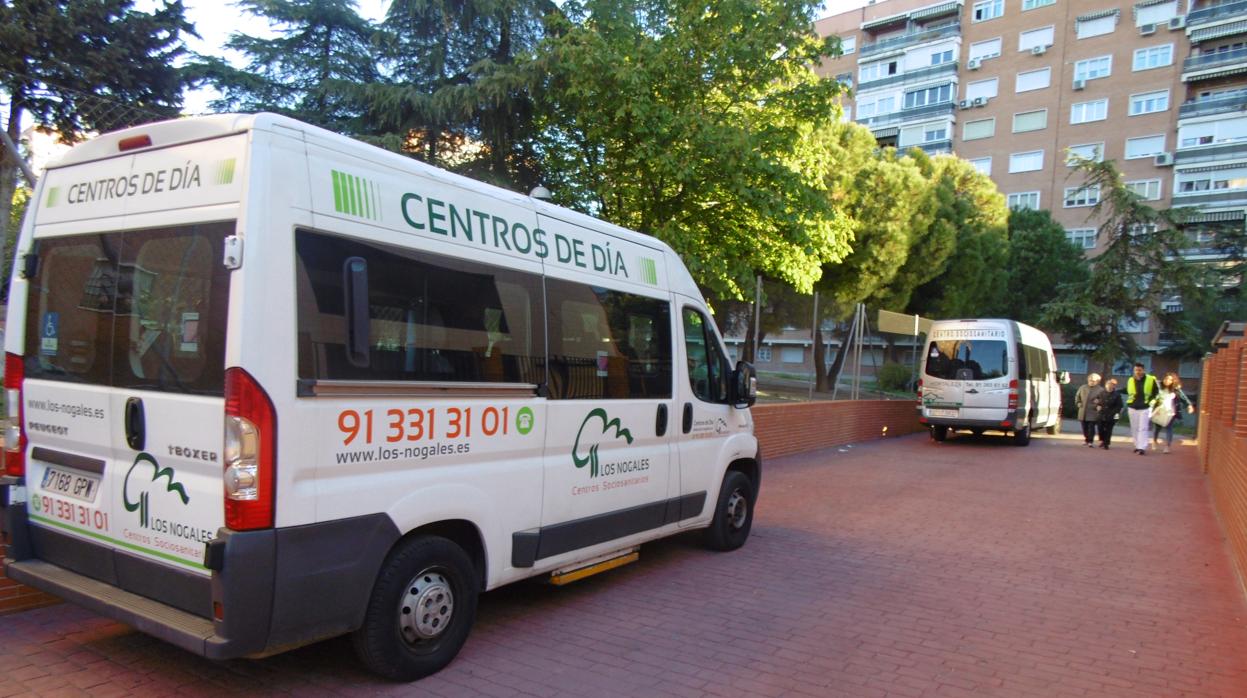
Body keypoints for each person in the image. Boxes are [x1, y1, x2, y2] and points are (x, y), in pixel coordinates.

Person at [1151, 372, 1194, 454]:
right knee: (1157, 428)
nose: (1167, 381)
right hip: (1159, 411)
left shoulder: (1176, 390)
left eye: (1170, 379)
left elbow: (1184, 398)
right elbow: (1152, 381)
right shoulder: (1158, 387)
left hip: (1170, 412)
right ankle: (1154, 441)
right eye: (1166, 378)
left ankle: (1167, 446)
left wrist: (1189, 405)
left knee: (1169, 428)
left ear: (1173, 381)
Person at [1125, 363, 1160, 455]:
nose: (1137, 372)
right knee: (1134, 427)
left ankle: (1142, 447)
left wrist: (1152, 402)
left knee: (1143, 428)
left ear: (1143, 370)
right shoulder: (1130, 380)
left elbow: (1156, 392)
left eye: (1139, 370)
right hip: (1132, 406)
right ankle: (1137, 445)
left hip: (1145, 407)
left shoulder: (1151, 379)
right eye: (1136, 370)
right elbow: (1127, 390)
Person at [1074, 373, 1105, 447]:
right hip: (1083, 411)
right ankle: (1086, 439)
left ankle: (1090, 441)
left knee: (1091, 427)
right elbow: (1077, 396)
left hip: (1093, 412)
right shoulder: (1083, 387)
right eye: (1090, 380)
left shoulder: (1100, 390)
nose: (1091, 382)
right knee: (1084, 426)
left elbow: (1103, 399)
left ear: (1097, 381)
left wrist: (1099, 403)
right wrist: (1078, 403)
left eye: (1093, 381)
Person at [1097, 378, 1123, 449]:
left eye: (1111, 385)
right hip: (1101, 414)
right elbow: (1097, 401)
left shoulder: (1117, 395)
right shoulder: (1101, 393)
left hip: (1111, 414)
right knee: (1100, 428)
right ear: (1105, 385)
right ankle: (1102, 440)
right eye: (1108, 384)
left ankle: (1106, 443)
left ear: (1113, 386)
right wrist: (1098, 406)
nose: (1109, 386)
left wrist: (1113, 413)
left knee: (1108, 429)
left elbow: (1119, 406)